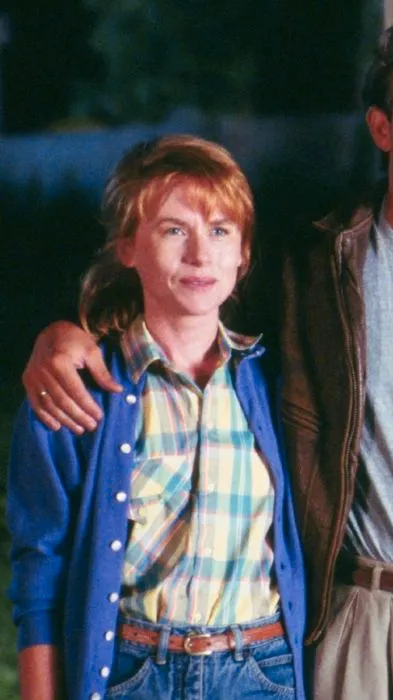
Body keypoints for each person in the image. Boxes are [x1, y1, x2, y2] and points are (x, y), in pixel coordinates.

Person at [21, 12, 393, 700]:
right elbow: (187, 306)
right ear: (381, 126)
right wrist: (66, 336)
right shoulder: (310, 270)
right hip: (364, 627)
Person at [8, 135, 307, 700]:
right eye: (174, 230)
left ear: (243, 253)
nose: (200, 255)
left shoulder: (279, 384)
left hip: (260, 673)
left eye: (220, 231)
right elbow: (39, 572)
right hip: (133, 673)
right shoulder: (76, 390)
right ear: (127, 246)